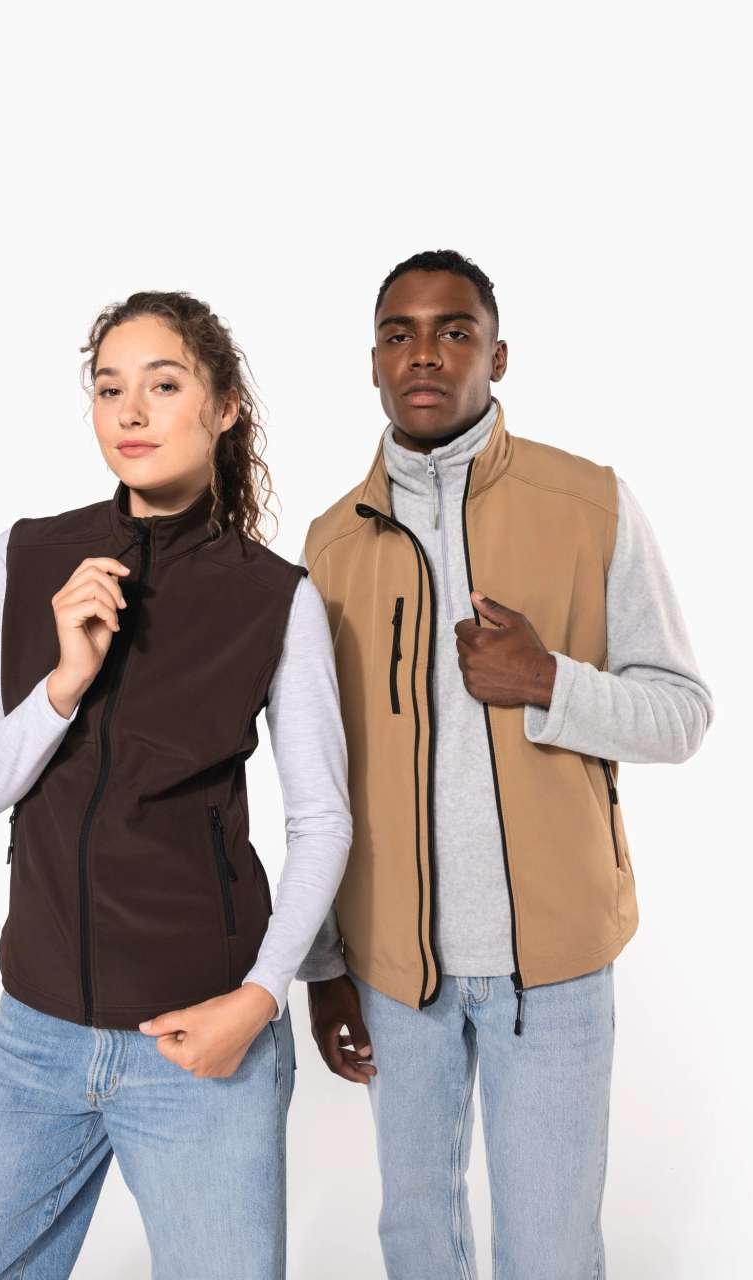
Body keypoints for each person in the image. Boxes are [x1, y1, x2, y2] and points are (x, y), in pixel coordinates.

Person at [0, 290, 352, 1279]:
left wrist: (259, 1000)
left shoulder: (273, 598)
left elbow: (322, 821)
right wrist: (61, 684)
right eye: (110, 389)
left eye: (163, 384)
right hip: (34, 1037)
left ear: (223, 406)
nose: (132, 412)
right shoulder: (28, 556)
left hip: (200, 1042)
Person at [297, 250, 714, 1279]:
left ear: (497, 355)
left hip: (556, 965)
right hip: (395, 968)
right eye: (398, 333)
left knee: (551, 1251)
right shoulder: (329, 546)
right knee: (414, 1239)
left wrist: (547, 680)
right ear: (372, 361)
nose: (424, 354)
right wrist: (327, 964)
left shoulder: (589, 503)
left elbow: (681, 713)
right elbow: (318, 777)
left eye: (454, 330)